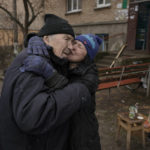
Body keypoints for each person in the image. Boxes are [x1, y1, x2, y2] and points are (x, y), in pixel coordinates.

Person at [0, 14, 92, 150]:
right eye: (66, 39)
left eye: (72, 41)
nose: (71, 46)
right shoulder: (33, 60)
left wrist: (32, 38)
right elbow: (33, 116)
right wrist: (79, 91)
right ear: (46, 39)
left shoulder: (53, 58)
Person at [23, 33, 102, 150]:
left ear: (87, 56)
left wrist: (49, 74)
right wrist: (35, 39)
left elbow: (69, 94)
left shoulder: (90, 77)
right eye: (75, 43)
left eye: (80, 47)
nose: (73, 47)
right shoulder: (63, 63)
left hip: (82, 137)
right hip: (61, 132)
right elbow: (52, 41)